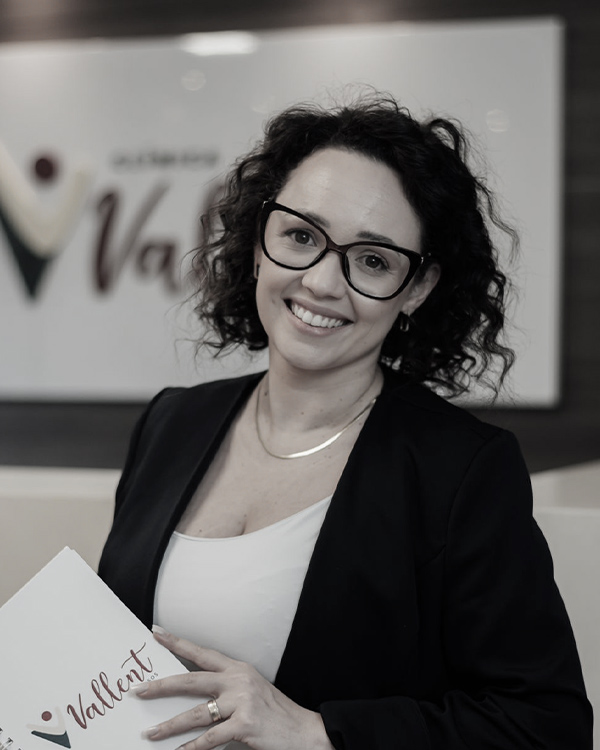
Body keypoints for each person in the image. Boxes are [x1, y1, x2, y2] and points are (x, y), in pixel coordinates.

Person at [98, 92, 593, 750]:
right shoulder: (172, 421)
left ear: (417, 289)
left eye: (372, 260)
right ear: (259, 243)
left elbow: (546, 726)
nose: (323, 283)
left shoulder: (462, 469)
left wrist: (315, 730)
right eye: (301, 236)